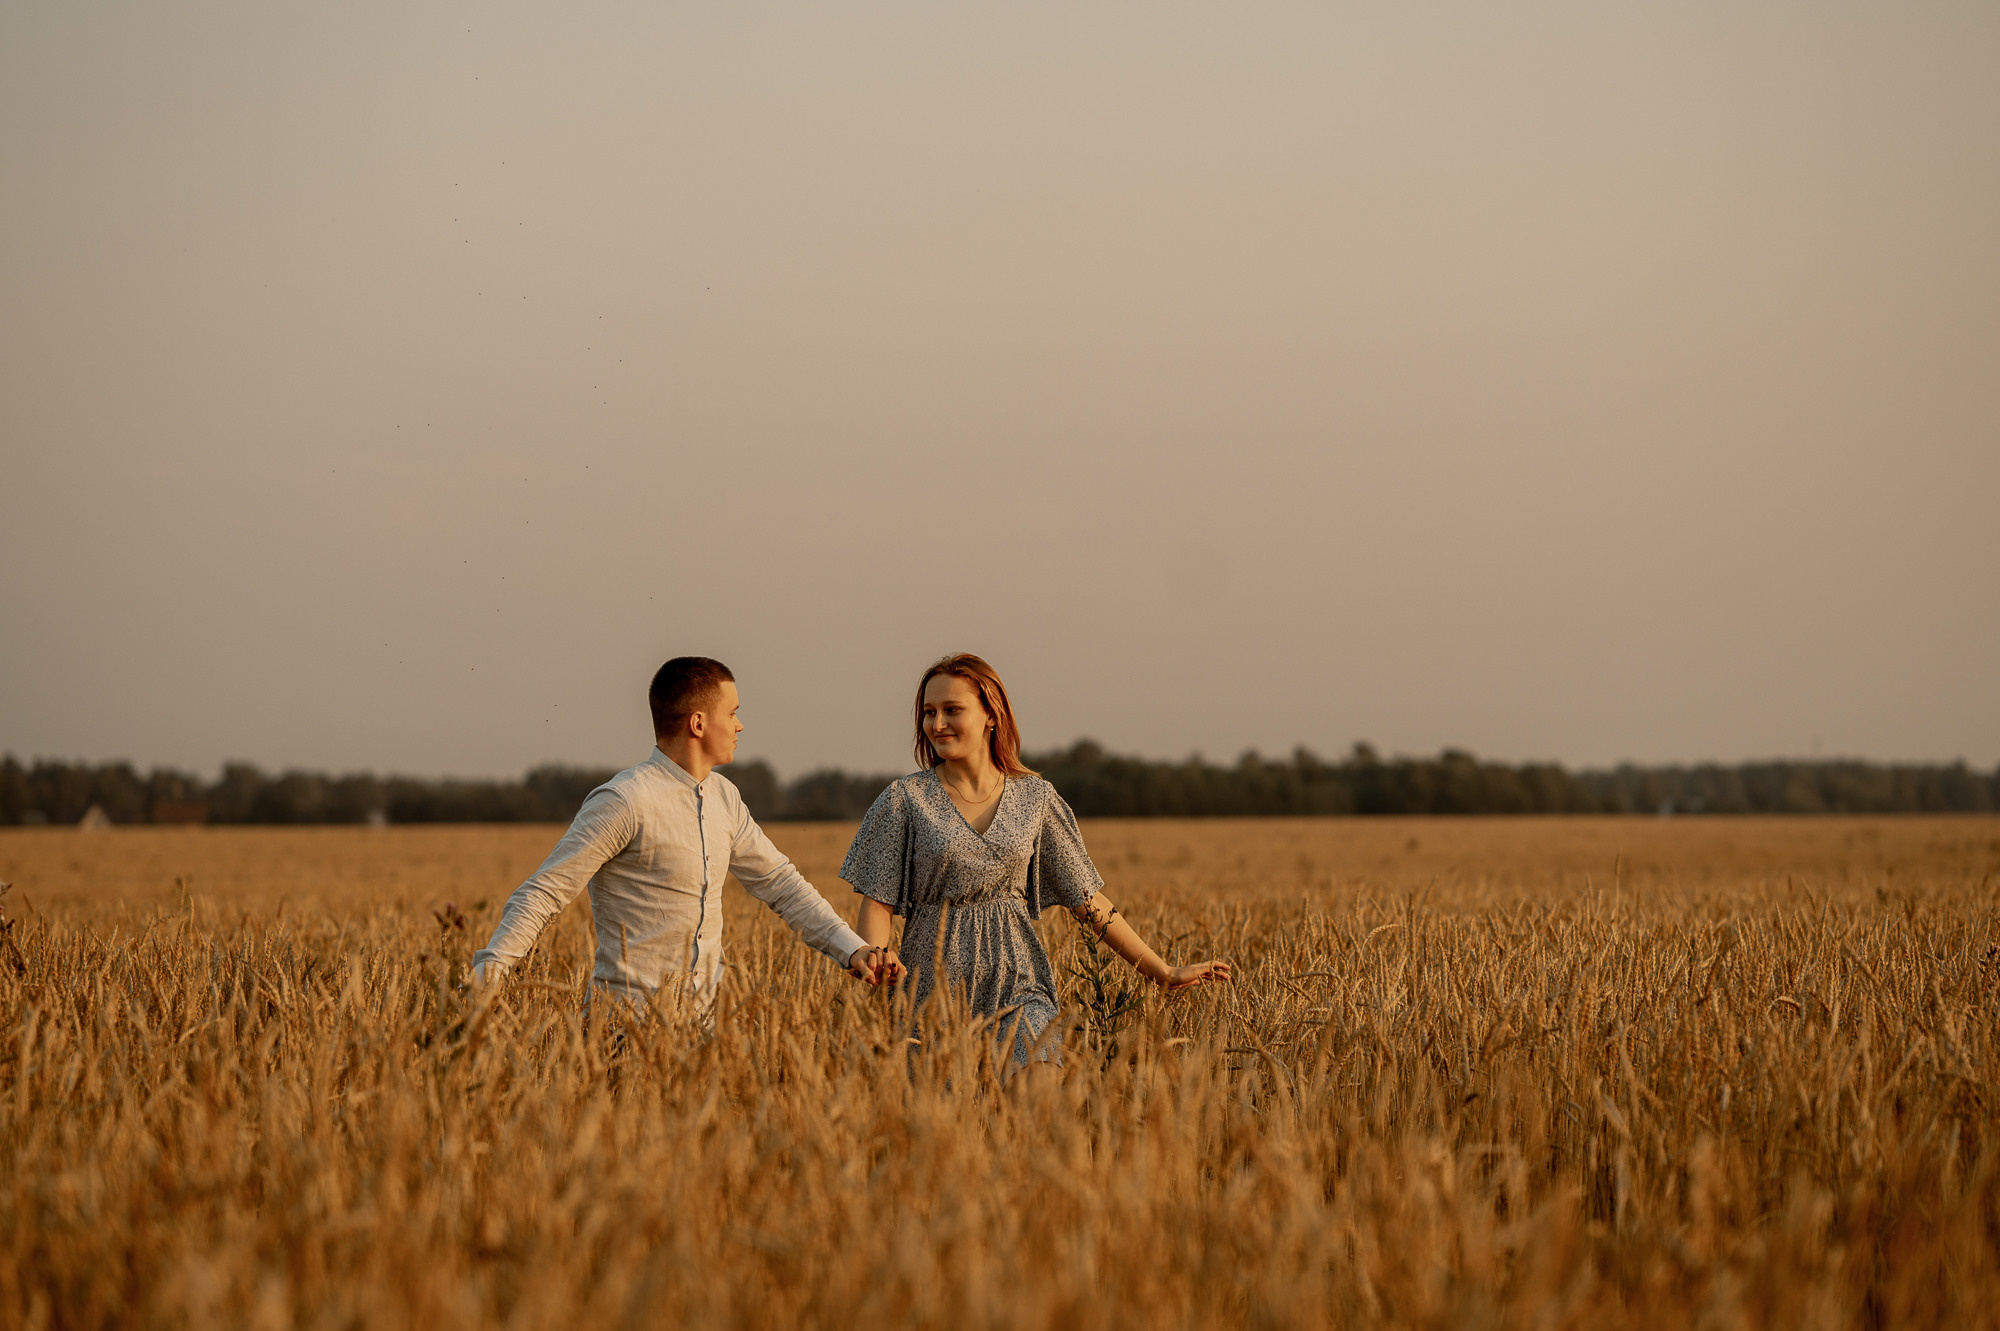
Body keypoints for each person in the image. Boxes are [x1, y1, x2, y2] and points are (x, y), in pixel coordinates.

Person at [840, 653, 1229, 1066]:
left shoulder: (1036, 799)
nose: (936, 724)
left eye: (952, 710)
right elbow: (878, 903)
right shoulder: (903, 801)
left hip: (1018, 984)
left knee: (1040, 1094)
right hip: (931, 994)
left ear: (992, 714)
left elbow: (1088, 901)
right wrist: (878, 964)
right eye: (928, 712)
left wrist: (1162, 973)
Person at [472, 657, 905, 1011]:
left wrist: (854, 950)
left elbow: (782, 886)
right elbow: (548, 890)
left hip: (703, 1034)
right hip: (624, 1028)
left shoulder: (725, 799)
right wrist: (488, 974)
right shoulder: (625, 800)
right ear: (698, 723)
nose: (740, 725)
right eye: (732, 713)